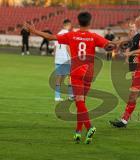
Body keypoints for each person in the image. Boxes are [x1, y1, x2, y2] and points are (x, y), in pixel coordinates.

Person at [24, 12, 117, 144]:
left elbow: (50, 37)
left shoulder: (71, 35)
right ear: (90, 22)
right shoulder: (94, 36)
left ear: (78, 22)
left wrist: (34, 30)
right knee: (82, 102)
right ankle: (78, 132)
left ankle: (89, 127)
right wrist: (122, 43)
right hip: (89, 73)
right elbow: (110, 46)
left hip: (77, 72)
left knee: (79, 102)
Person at [54, 19, 73, 102]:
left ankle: (57, 96)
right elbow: (67, 47)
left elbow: (54, 47)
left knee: (58, 77)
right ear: (68, 25)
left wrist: (55, 57)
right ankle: (70, 95)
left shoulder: (58, 34)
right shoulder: (68, 34)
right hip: (66, 59)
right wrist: (72, 57)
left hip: (58, 58)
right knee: (70, 76)